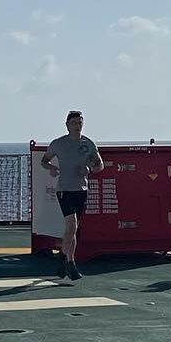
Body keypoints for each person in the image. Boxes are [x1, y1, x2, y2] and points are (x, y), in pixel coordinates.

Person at [41, 110, 104, 281]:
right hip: (64, 189)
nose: (77, 126)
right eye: (74, 123)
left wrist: (89, 169)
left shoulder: (88, 144)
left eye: (80, 123)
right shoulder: (58, 144)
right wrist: (51, 168)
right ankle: (63, 257)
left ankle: (69, 262)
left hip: (81, 189)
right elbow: (44, 160)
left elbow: (100, 165)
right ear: (67, 125)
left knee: (73, 229)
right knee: (71, 225)